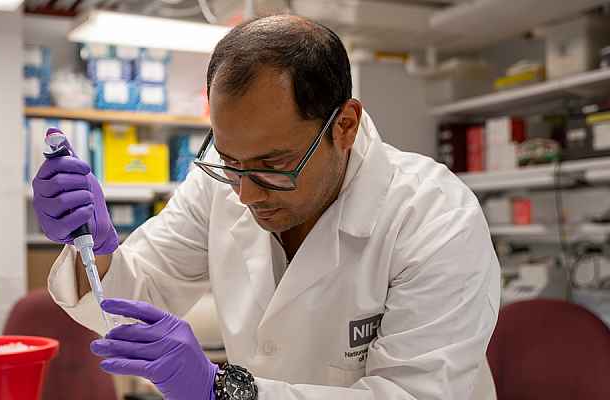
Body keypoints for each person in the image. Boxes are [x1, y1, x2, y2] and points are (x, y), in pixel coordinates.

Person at [33, 14, 500, 400]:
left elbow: (415, 395)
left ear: (345, 126)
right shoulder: (218, 184)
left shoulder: (435, 217)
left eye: (274, 165)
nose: (246, 193)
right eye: (230, 161)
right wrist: (95, 250)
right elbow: (131, 304)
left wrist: (224, 390)